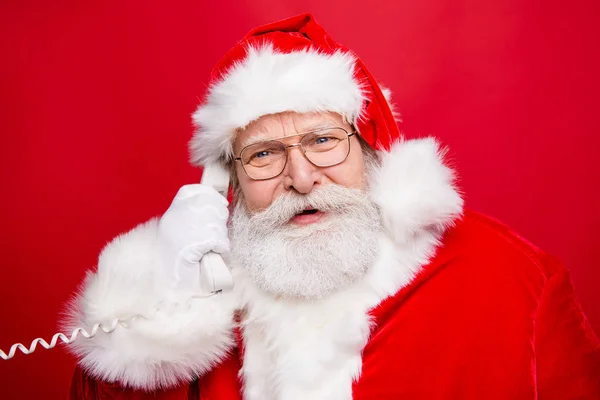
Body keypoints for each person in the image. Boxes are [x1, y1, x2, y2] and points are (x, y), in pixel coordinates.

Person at [66, 13, 600, 400]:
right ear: (227, 182)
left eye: (323, 140)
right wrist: (160, 304)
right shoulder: (200, 292)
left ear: (372, 149)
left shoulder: (515, 278)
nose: (301, 178)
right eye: (265, 154)